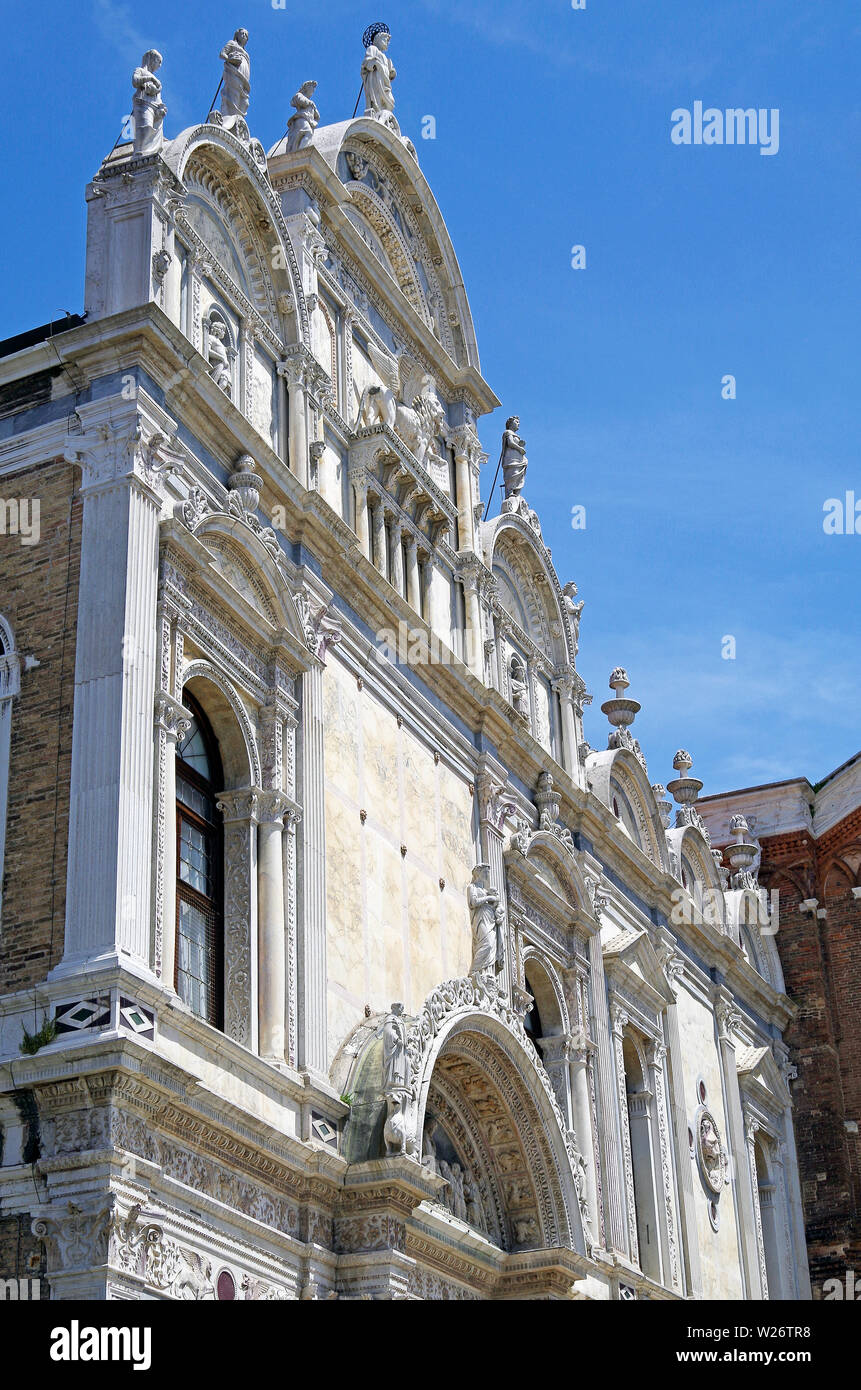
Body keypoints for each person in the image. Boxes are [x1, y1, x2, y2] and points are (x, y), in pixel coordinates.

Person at [131, 50, 166, 157]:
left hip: (154, 109)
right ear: (151, 59)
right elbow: (135, 81)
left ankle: (150, 154)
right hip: (143, 104)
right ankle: (140, 153)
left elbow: (158, 98)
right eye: (158, 61)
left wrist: (162, 108)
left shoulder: (157, 80)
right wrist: (150, 78)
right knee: (145, 128)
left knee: (153, 131)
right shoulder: (140, 70)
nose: (159, 65)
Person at [286, 81, 320, 152]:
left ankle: (300, 150)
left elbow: (317, 117)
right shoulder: (299, 95)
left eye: (313, 89)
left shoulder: (312, 104)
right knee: (308, 132)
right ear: (306, 88)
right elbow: (301, 101)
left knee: (305, 135)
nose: (313, 91)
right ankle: (301, 151)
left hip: (308, 121)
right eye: (311, 88)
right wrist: (310, 103)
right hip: (301, 119)